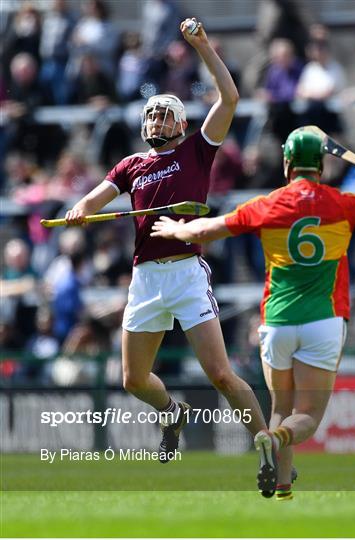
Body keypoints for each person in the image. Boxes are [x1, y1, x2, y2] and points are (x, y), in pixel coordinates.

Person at [151, 125, 355, 500]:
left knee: (280, 406)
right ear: (321, 165)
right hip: (324, 319)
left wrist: (178, 229)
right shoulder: (343, 202)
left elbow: (208, 229)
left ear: (287, 163)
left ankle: (283, 487)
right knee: (306, 417)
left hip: (276, 322)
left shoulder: (267, 204)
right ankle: (274, 440)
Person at [64, 18, 269, 487]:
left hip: (186, 273)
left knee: (221, 374)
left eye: (165, 114)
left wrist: (200, 46)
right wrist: (79, 209)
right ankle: (172, 410)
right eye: (151, 114)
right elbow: (96, 197)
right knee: (134, 381)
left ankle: (268, 451)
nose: (156, 119)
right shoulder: (132, 165)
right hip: (146, 278)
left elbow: (230, 98)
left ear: (180, 123)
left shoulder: (198, 150)